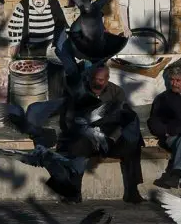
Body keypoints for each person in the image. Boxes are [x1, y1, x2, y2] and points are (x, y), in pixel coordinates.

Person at [60, 66, 146, 204]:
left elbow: (123, 118)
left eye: (100, 80)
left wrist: (112, 134)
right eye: (94, 79)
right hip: (88, 136)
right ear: (89, 78)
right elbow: (69, 119)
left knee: (133, 146)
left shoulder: (116, 92)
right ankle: (73, 193)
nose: (97, 82)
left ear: (107, 80)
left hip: (112, 137)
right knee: (76, 147)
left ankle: (132, 192)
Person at [6, 0, 68, 99]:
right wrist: (14, 47)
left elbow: (62, 25)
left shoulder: (54, 4)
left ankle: (55, 107)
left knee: (55, 79)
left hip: (51, 48)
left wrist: (60, 47)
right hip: (29, 50)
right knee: (28, 87)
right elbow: (14, 27)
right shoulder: (22, 5)